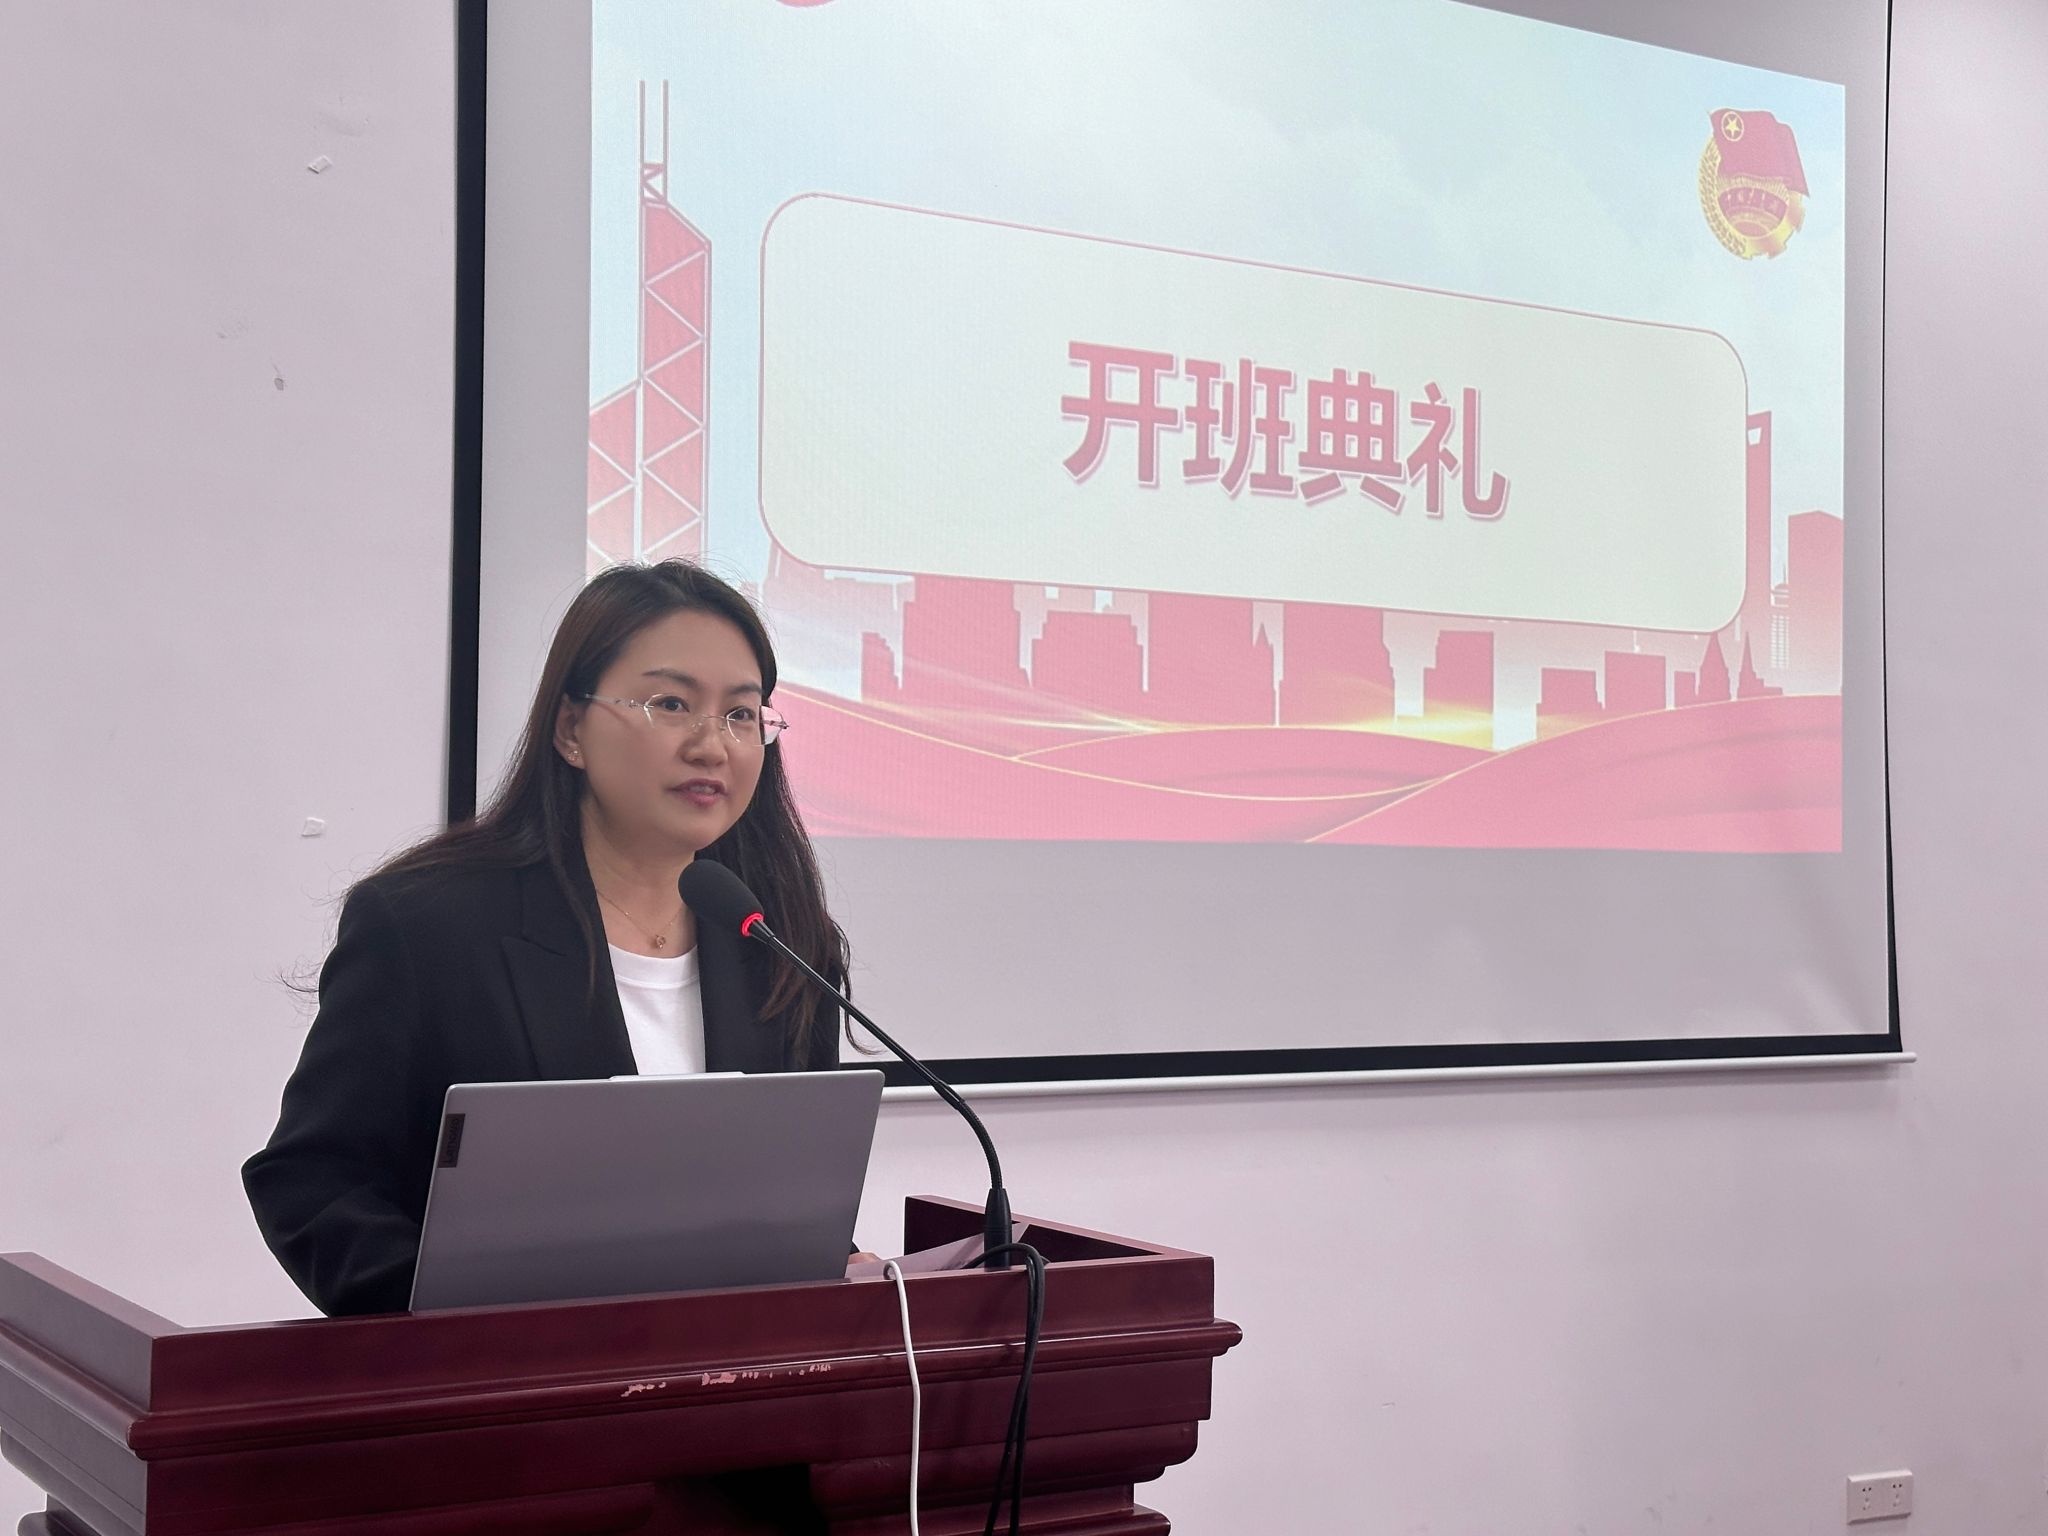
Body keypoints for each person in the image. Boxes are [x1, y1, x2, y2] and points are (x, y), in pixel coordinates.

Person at [243, 560, 849, 1316]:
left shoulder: (780, 943)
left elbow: (791, 1199)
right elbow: (311, 1183)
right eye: (671, 703)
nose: (711, 745)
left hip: (725, 1376)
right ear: (570, 730)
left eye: (740, 714)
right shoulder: (429, 926)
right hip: (496, 1377)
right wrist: (455, 1320)